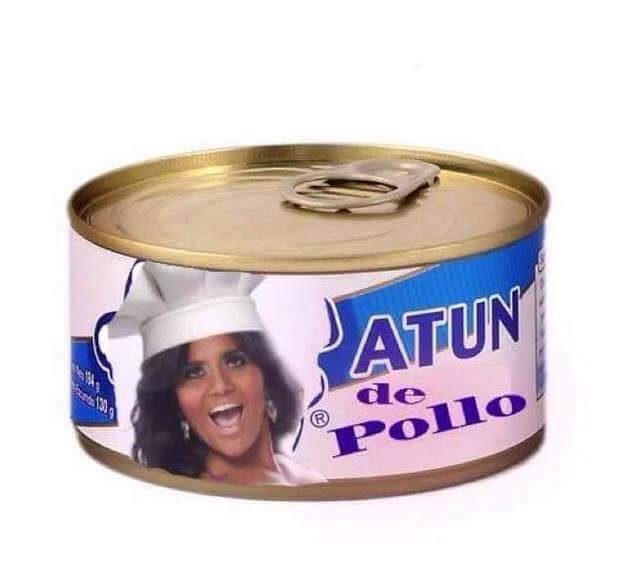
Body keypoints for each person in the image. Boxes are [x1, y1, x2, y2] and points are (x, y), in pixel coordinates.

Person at [109, 262, 325, 485]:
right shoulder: (196, 495)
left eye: (235, 362)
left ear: (266, 376)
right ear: (174, 403)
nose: (220, 386)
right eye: (194, 373)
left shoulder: (302, 477)